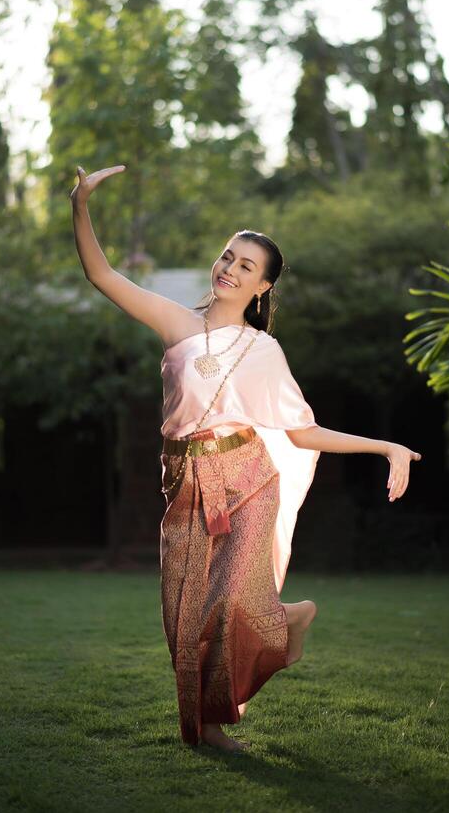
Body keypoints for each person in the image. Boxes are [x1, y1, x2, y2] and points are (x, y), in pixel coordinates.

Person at [70, 164, 422, 753]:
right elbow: (100, 273)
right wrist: (80, 204)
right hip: (184, 481)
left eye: (246, 266)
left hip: (249, 475)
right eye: (228, 257)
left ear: (262, 287)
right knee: (186, 618)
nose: (231, 269)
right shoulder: (176, 323)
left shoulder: (264, 351)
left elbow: (303, 432)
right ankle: (281, 627)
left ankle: (217, 720)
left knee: (230, 598)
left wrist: (385, 446)